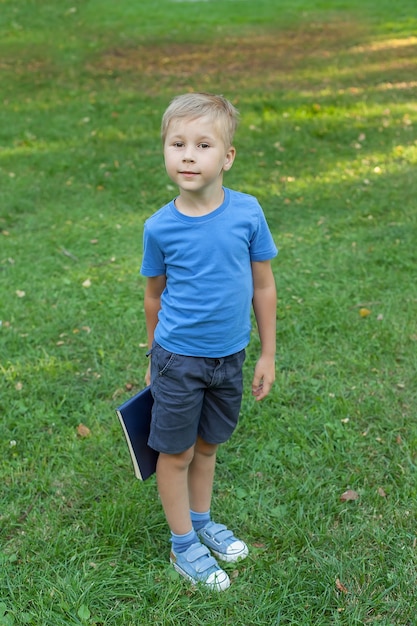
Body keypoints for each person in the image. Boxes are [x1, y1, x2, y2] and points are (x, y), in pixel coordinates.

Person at [141, 92, 277, 591]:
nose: (189, 155)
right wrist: (155, 356)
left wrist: (267, 353)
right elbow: (154, 298)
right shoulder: (159, 227)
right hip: (179, 358)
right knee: (174, 455)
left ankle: (201, 523)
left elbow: (263, 285)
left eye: (203, 144)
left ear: (228, 156)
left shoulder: (247, 213)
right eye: (177, 143)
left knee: (207, 447)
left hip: (231, 357)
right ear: (166, 152)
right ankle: (183, 546)